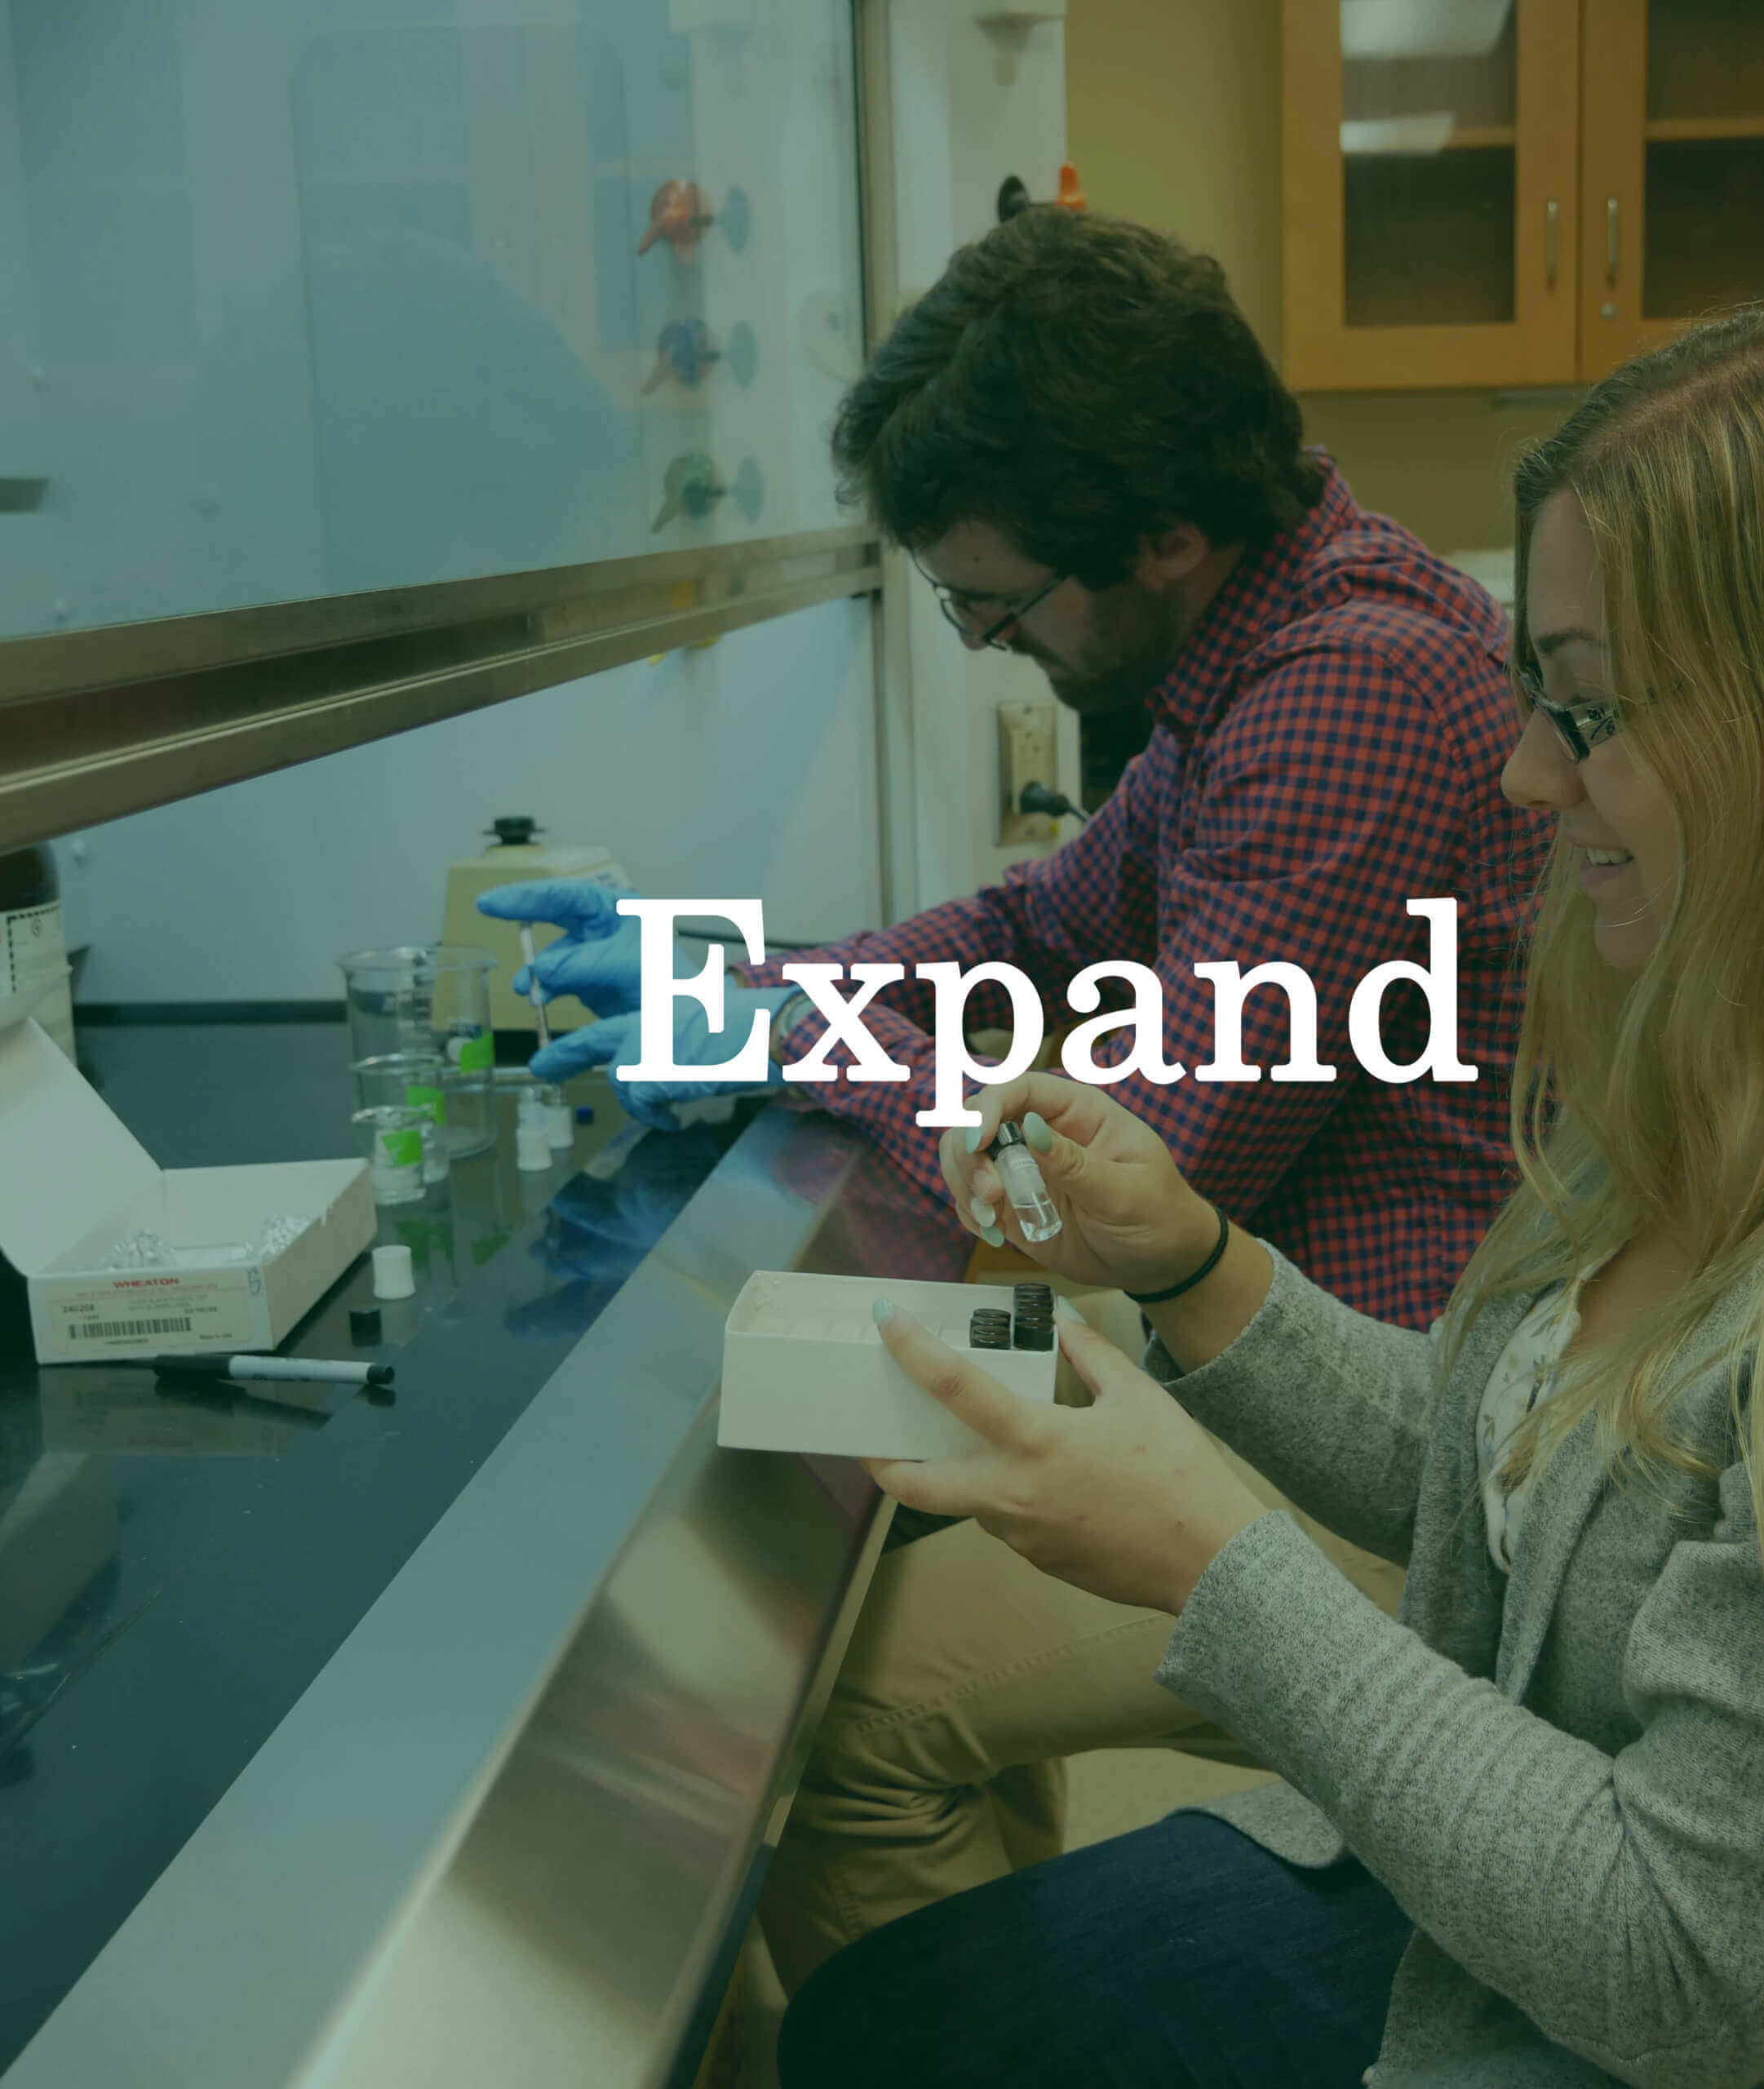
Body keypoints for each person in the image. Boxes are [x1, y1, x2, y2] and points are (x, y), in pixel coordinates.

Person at [773, 292, 1764, 2088]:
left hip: (1653, 2012)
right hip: (1496, 1910)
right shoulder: (1737, 1045)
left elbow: (1676, 1965)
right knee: (884, 2020)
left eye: (1590, 709)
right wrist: (1194, 1268)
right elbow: (1510, 1475)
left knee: (882, 1964)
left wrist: (1211, 1557)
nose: (1526, 770)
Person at [477, 206, 1545, 1982]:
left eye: (994, 599)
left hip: (1406, 1459)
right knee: (905, 1549)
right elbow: (1035, 929)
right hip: (1290, 1360)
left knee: (836, 1713)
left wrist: (792, 1044)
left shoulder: (1348, 688)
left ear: (1163, 536)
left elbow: (1130, 1173)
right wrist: (757, 982)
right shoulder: (1254, 654)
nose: (979, 641)